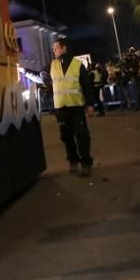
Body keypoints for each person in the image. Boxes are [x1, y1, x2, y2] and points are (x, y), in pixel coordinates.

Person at [50, 37, 95, 176]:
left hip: (76, 107)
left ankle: (86, 163)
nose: (54, 50)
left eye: (56, 48)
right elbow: (42, 76)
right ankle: (73, 162)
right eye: (53, 48)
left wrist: (90, 104)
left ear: (64, 48)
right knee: (66, 137)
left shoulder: (77, 64)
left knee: (82, 136)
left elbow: (86, 85)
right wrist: (23, 70)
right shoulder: (52, 64)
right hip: (61, 109)